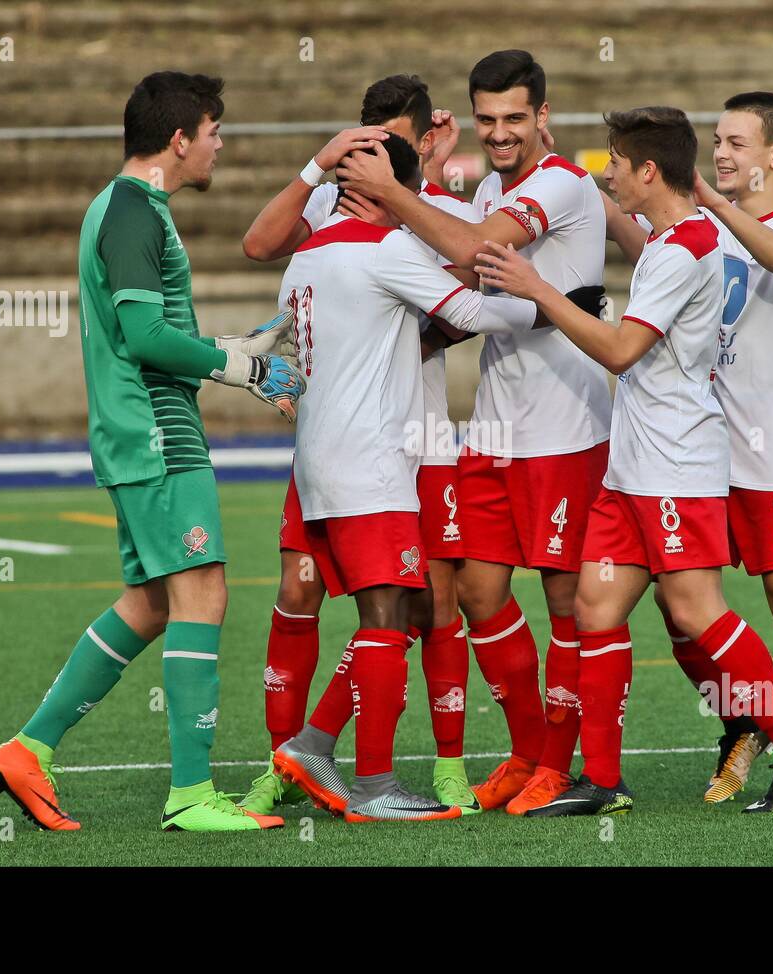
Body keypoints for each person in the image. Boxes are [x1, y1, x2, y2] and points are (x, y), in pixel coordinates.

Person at [475, 106, 773, 815]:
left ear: (647, 171)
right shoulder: (684, 237)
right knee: (595, 606)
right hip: (633, 465)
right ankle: (604, 782)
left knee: (700, 612)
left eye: (615, 162)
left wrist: (536, 286)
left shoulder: (686, 247)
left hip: (675, 463)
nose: (606, 173)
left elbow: (619, 350)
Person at [0, 71, 304, 833]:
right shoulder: (132, 212)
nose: (221, 144)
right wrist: (241, 367)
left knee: (156, 603)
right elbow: (144, 338)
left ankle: (29, 748)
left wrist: (229, 350)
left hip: (143, 430)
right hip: (155, 435)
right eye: (213, 130)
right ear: (179, 138)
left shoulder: (128, 207)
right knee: (204, 594)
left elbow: (153, 338)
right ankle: (192, 795)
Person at [336, 50, 610, 815]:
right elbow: (464, 270)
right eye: (486, 120)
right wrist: (419, 168)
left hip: (564, 426)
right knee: (482, 594)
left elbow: (469, 248)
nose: (499, 133)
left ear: (543, 116)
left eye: (514, 119)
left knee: (567, 603)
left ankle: (560, 763)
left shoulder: (560, 182)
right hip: (494, 423)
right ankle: (527, 750)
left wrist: (392, 188)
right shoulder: (493, 183)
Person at [269, 134, 548, 822]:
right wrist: (550, 303)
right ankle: (373, 786)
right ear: (378, 189)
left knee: (397, 605)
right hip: (371, 463)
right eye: (403, 194)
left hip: (319, 463)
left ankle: (312, 744)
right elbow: (473, 312)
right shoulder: (383, 249)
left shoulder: (305, 256)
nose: (411, 212)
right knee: (388, 614)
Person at [237, 75, 482, 815]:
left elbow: (470, 287)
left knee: (427, 605)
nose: (372, 148)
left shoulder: (439, 207)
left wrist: (404, 336)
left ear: (420, 139)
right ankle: (288, 766)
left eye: (392, 138)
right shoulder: (337, 199)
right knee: (299, 591)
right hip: (343, 440)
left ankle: (443, 764)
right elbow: (260, 245)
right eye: (364, 133)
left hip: (417, 434)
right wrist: (319, 165)